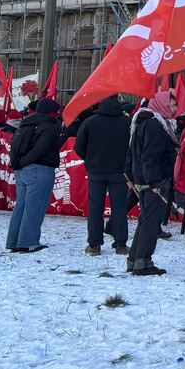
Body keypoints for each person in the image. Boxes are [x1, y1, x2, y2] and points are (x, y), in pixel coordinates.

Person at [126, 91, 179, 276]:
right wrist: (155, 182)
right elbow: (151, 156)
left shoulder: (141, 121)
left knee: (145, 220)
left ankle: (134, 259)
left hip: (142, 178)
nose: (175, 109)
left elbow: (132, 152)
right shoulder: (156, 125)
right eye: (172, 105)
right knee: (151, 221)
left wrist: (130, 176)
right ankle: (143, 262)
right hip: (153, 181)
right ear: (162, 105)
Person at [74, 96, 132, 256]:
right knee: (119, 209)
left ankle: (94, 245)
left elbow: (78, 147)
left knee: (94, 209)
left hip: (96, 172)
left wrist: (90, 159)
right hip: (119, 173)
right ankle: (120, 244)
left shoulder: (90, 122)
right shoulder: (127, 123)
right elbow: (133, 147)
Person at [5, 97, 63, 253]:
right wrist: (24, 161)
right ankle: (28, 242)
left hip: (21, 170)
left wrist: (17, 162)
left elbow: (14, 146)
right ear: (51, 112)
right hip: (40, 169)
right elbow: (41, 149)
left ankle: (14, 241)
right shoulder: (48, 126)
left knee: (21, 206)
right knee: (35, 207)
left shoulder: (25, 123)